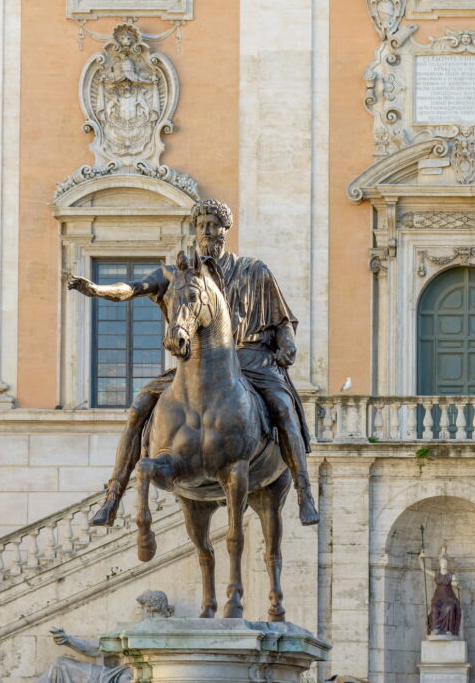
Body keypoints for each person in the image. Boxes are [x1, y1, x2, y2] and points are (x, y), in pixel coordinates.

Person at [68, 198, 319, 527]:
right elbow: (131, 288)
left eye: (214, 226)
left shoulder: (253, 270)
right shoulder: (176, 275)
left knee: (283, 408)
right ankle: (113, 495)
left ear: (225, 231)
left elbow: (282, 319)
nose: (207, 232)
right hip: (198, 365)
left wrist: (286, 343)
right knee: (139, 406)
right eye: (202, 226)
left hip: (252, 360)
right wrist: (98, 289)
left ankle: (303, 491)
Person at [36, 591, 174, 683]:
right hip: (119, 675)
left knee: (61, 664)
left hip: (119, 677)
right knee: (61, 664)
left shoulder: (138, 631)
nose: (139, 612)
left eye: (141, 607)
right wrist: (68, 640)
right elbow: (97, 649)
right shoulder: (170, 629)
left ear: (149, 609)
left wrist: (68, 640)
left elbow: (96, 649)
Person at [419, 545, 462, 636]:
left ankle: (448, 630)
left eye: (445, 562)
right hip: (438, 598)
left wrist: (456, 585)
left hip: (449, 598)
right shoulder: (436, 574)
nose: (444, 564)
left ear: (447, 563)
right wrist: (420, 558)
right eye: (442, 562)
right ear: (440, 563)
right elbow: (423, 569)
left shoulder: (451, 575)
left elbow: (456, 583)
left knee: (450, 607)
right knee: (434, 608)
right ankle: (435, 629)